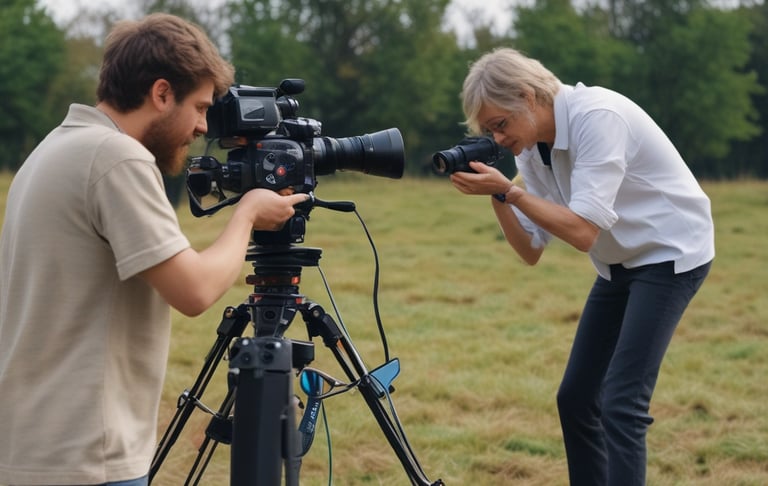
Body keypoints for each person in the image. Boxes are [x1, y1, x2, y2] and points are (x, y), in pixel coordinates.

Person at [0, 13, 307, 486]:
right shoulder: (115, 157)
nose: (204, 126)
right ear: (162, 93)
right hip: (87, 456)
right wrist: (247, 215)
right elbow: (195, 291)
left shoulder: (52, 150)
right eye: (200, 107)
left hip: (32, 445)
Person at [450, 47, 714, 485]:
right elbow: (531, 249)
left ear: (528, 96)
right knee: (575, 399)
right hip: (619, 261)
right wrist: (498, 196)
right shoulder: (532, 148)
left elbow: (583, 232)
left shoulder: (598, 118)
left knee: (621, 403)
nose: (497, 138)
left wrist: (512, 193)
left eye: (500, 124)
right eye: (489, 130)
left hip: (670, 253)